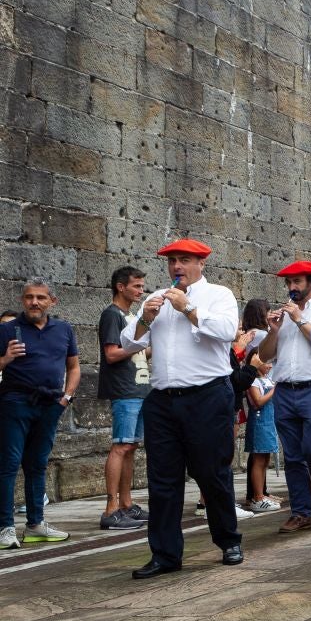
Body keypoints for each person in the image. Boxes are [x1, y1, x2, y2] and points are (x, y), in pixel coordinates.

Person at [119, 239, 242, 577]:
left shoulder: (219, 295)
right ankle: (165, 554)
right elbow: (128, 342)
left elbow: (228, 331)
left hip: (207, 396)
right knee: (162, 480)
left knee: (212, 473)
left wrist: (189, 309)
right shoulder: (155, 298)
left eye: (185, 260)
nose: (177, 267)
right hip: (162, 399)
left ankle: (228, 539)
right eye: (173, 261)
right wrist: (145, 317)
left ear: (201, 263)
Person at [258, 261, 311, 533]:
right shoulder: (284, 315)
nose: (292, 288)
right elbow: (265, 356)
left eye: (297, 282)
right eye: (289, 283)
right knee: (292, 455)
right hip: (285, 389)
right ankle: (301, 512)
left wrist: (298, 319)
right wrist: (273, 330)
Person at [0, 280, 80, 550]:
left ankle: (35, 524)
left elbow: (74, 366)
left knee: (38, 464)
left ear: (52, 301)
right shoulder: (8, 329)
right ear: (23, 300)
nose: (35, 302)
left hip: (50, 404)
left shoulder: (64, 329)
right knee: (9, 464)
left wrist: (66, 397)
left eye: (41, 298)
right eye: (29, 297)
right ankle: (5, 528)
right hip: (15, 402)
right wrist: (5, 358)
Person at [97, 266, 151, 531]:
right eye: (137, 286)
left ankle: (127, 504)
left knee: (131, 447)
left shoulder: (130, 316)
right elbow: (112, 354)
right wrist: (137, 345)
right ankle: (111, 509)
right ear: (121, 287)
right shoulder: (112, 315)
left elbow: (138, 353)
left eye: (142, 286)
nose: (141, 291)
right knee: (120, 446)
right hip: (124, 390)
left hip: (140, 389)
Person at [238, 299, 282, 512]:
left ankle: (259, 492)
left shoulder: (251, 335)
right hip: (261, 403)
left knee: (262, 455)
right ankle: (257, 495)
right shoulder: (263, 336)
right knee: (259, 454)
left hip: (262, 390)